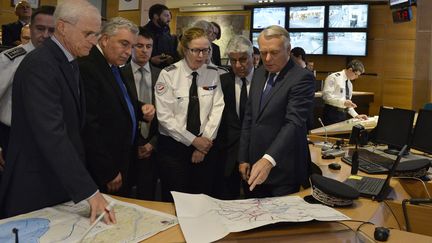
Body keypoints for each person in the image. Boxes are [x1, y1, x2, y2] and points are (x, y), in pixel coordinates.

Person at [0, 0, 115, 224]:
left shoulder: (69, 61)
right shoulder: (41, 65)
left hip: (58, 183)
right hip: (36, 187)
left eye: (96, 34)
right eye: (89, 33)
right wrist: (90, 192)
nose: (94, 41)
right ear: (62, 27)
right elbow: (52, 134)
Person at [79, 17, 155, 197]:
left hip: (124, 158)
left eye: (131, 46)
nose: (129, 52)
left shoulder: (112, 65)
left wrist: (141, 109)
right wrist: (108, 170)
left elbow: (118, 102)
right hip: (105, 167)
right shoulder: (89, 67)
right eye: (124, 44)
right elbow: (90, 126)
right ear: (104, 40)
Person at [238, 25, 315, 198]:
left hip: (283, 169)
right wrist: (243, 157)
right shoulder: (258, 73)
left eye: (274, 52)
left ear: (288, 50)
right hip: (253, 168)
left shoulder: (302, 78)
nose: (267, 58)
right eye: (264, 52)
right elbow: (249, 118)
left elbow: (293, 123)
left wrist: (268, 160)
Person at [155, 27, 224, 202]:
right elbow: (165, 118)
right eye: (196, 50)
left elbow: (217, 108)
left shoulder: (213, 73)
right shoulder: (168, 74)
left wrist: (204, 143)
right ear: (185, 49)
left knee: (201, 198)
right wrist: (194, 141)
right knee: (175, 200)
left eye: (206, 50)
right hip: (174, 148)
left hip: (205, 146)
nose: (201, 55)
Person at [0, 5, 55, 180]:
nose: (45, 35)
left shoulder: (61, 61)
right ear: (30, 28)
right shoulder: (12, 59)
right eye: (40, 28)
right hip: (13, 138)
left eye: (51, 30)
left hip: (47, 140)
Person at [120, 27, 161, 200]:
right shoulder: (120, 74)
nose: (144, 50)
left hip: (154, 146)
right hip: (127, 147)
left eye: (148, 46)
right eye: (139, 46)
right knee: (124, 196)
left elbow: (169, 114)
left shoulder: (163, 75)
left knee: (149, 196)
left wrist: (152, 144)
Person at [215, 35, 255, 199]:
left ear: (253, 56)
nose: (238, 65)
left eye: (243, 59)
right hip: (227, 154)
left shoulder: (265, 80)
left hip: (255, 153)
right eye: (233, 61)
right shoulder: (221, 81)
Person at [322, 59, 368, 125]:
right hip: (331, 113)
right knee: (331, 135)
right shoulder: (334, 77)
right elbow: (326, 96)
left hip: (343, 114)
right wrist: (343, 102)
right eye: (356, 74)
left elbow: (347, 103)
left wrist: (356, 115)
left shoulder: (349, 84)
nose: (357, 77)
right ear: (350, 70)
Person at [143, 4, 178, 69]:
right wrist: (150, 60)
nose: (169, 19)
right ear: (156, 16)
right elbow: (133, 57)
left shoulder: (170, 36)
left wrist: (171, 59)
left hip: (166, 73)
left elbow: (175, 57)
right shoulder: (142, 33)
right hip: (147, 72)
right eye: (166, 16)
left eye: (169, 16)